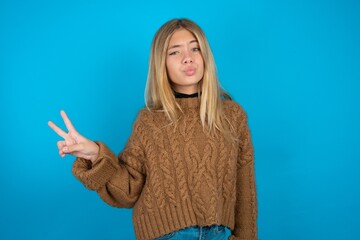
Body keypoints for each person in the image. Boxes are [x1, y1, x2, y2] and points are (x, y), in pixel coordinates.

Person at [48, 18, 257, 240]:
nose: (188, 58)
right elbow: (128, 191)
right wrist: (96, 155)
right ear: (161, 63)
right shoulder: (149, 122)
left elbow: (245, 188)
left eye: (195, 48)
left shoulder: (232, 116)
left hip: (217, 234)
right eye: (175, 52)